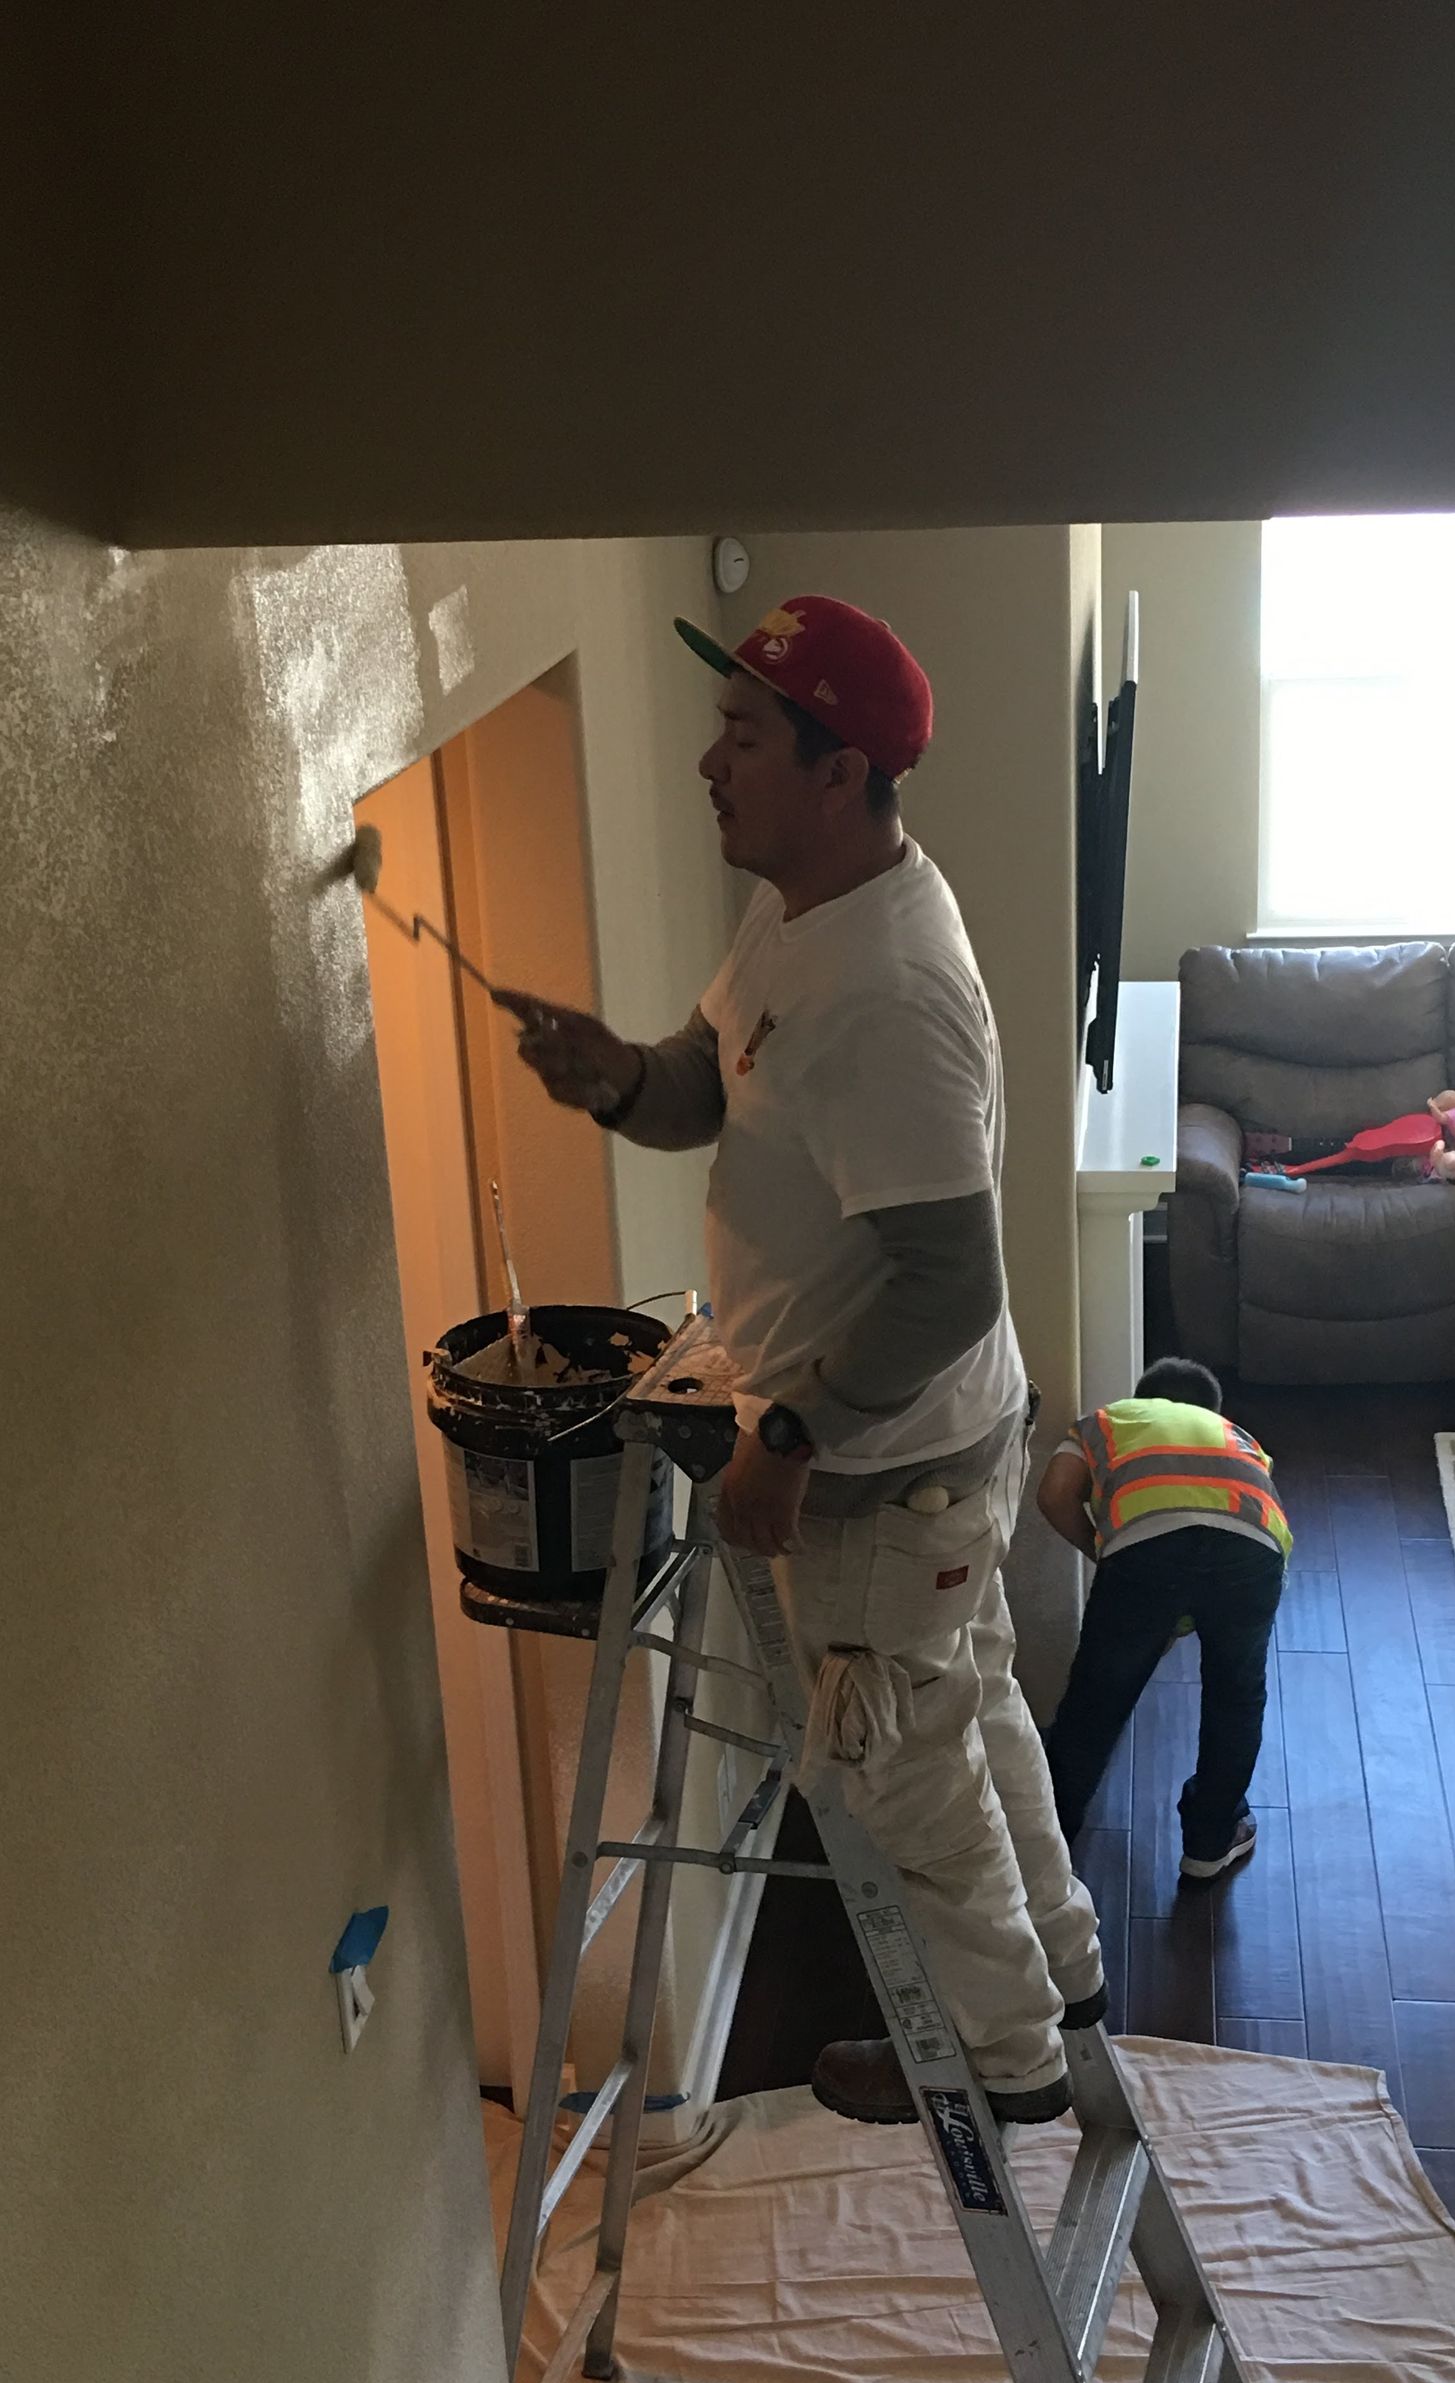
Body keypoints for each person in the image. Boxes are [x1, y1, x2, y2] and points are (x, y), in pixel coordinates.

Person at [503, 593, 1105, 2125]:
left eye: (744, 738)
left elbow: (948, 1285)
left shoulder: (890, 990)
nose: (710, 763)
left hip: (884, 1470)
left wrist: (789, 1439)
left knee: (903, 1772)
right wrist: (620, 1077)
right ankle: (1066, 1979)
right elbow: (714, 1077)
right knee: (967, 1714)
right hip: (922, 1451)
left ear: (839, 774)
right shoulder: (800, 907)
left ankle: (1006, 2062)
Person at [1038, 1356, 1290, 1882]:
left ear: (1144, 1399)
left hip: (1148, 1548)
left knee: (1096, 1700)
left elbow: (1055, 1495)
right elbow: (1223, 1531)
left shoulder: (1109, 1420)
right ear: (1210, 1410)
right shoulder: (1237, 1437)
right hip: (1256, 1551)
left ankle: (1047, 1844)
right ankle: (1210, 1842)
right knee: (1236, 1694)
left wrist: (1108, 1557)